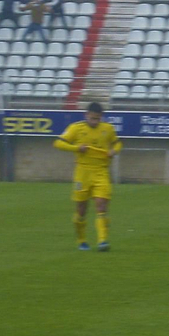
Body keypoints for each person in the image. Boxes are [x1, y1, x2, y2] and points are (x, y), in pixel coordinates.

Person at [53, 101, 122, 251]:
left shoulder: (108, 129)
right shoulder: (76, 128)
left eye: (97, 119)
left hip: (101, 172)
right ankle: (81, 240)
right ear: (86, 115)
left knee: (101, 205)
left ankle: (103, 241)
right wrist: (76, 148)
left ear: (101, 117)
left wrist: (113, 151)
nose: (94, 121)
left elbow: (118, 144)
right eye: (92, 118)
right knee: (81, 210)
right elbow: (58, 143)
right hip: (82, 173)